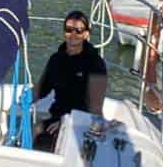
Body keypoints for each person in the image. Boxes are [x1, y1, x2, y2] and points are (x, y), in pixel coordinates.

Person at [33, 10, 108, 151]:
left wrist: (66, 122)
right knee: (35, 130)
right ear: (64, 32)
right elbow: (43, 88)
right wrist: (26, 98)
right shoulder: (56, 59)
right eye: (68, 29)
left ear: (86, 34)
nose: (73, 34)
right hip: (57, 116)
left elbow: (95, 108)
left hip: (82, 122)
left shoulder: (96, 64)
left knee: (49, 143)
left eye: (78, 30)